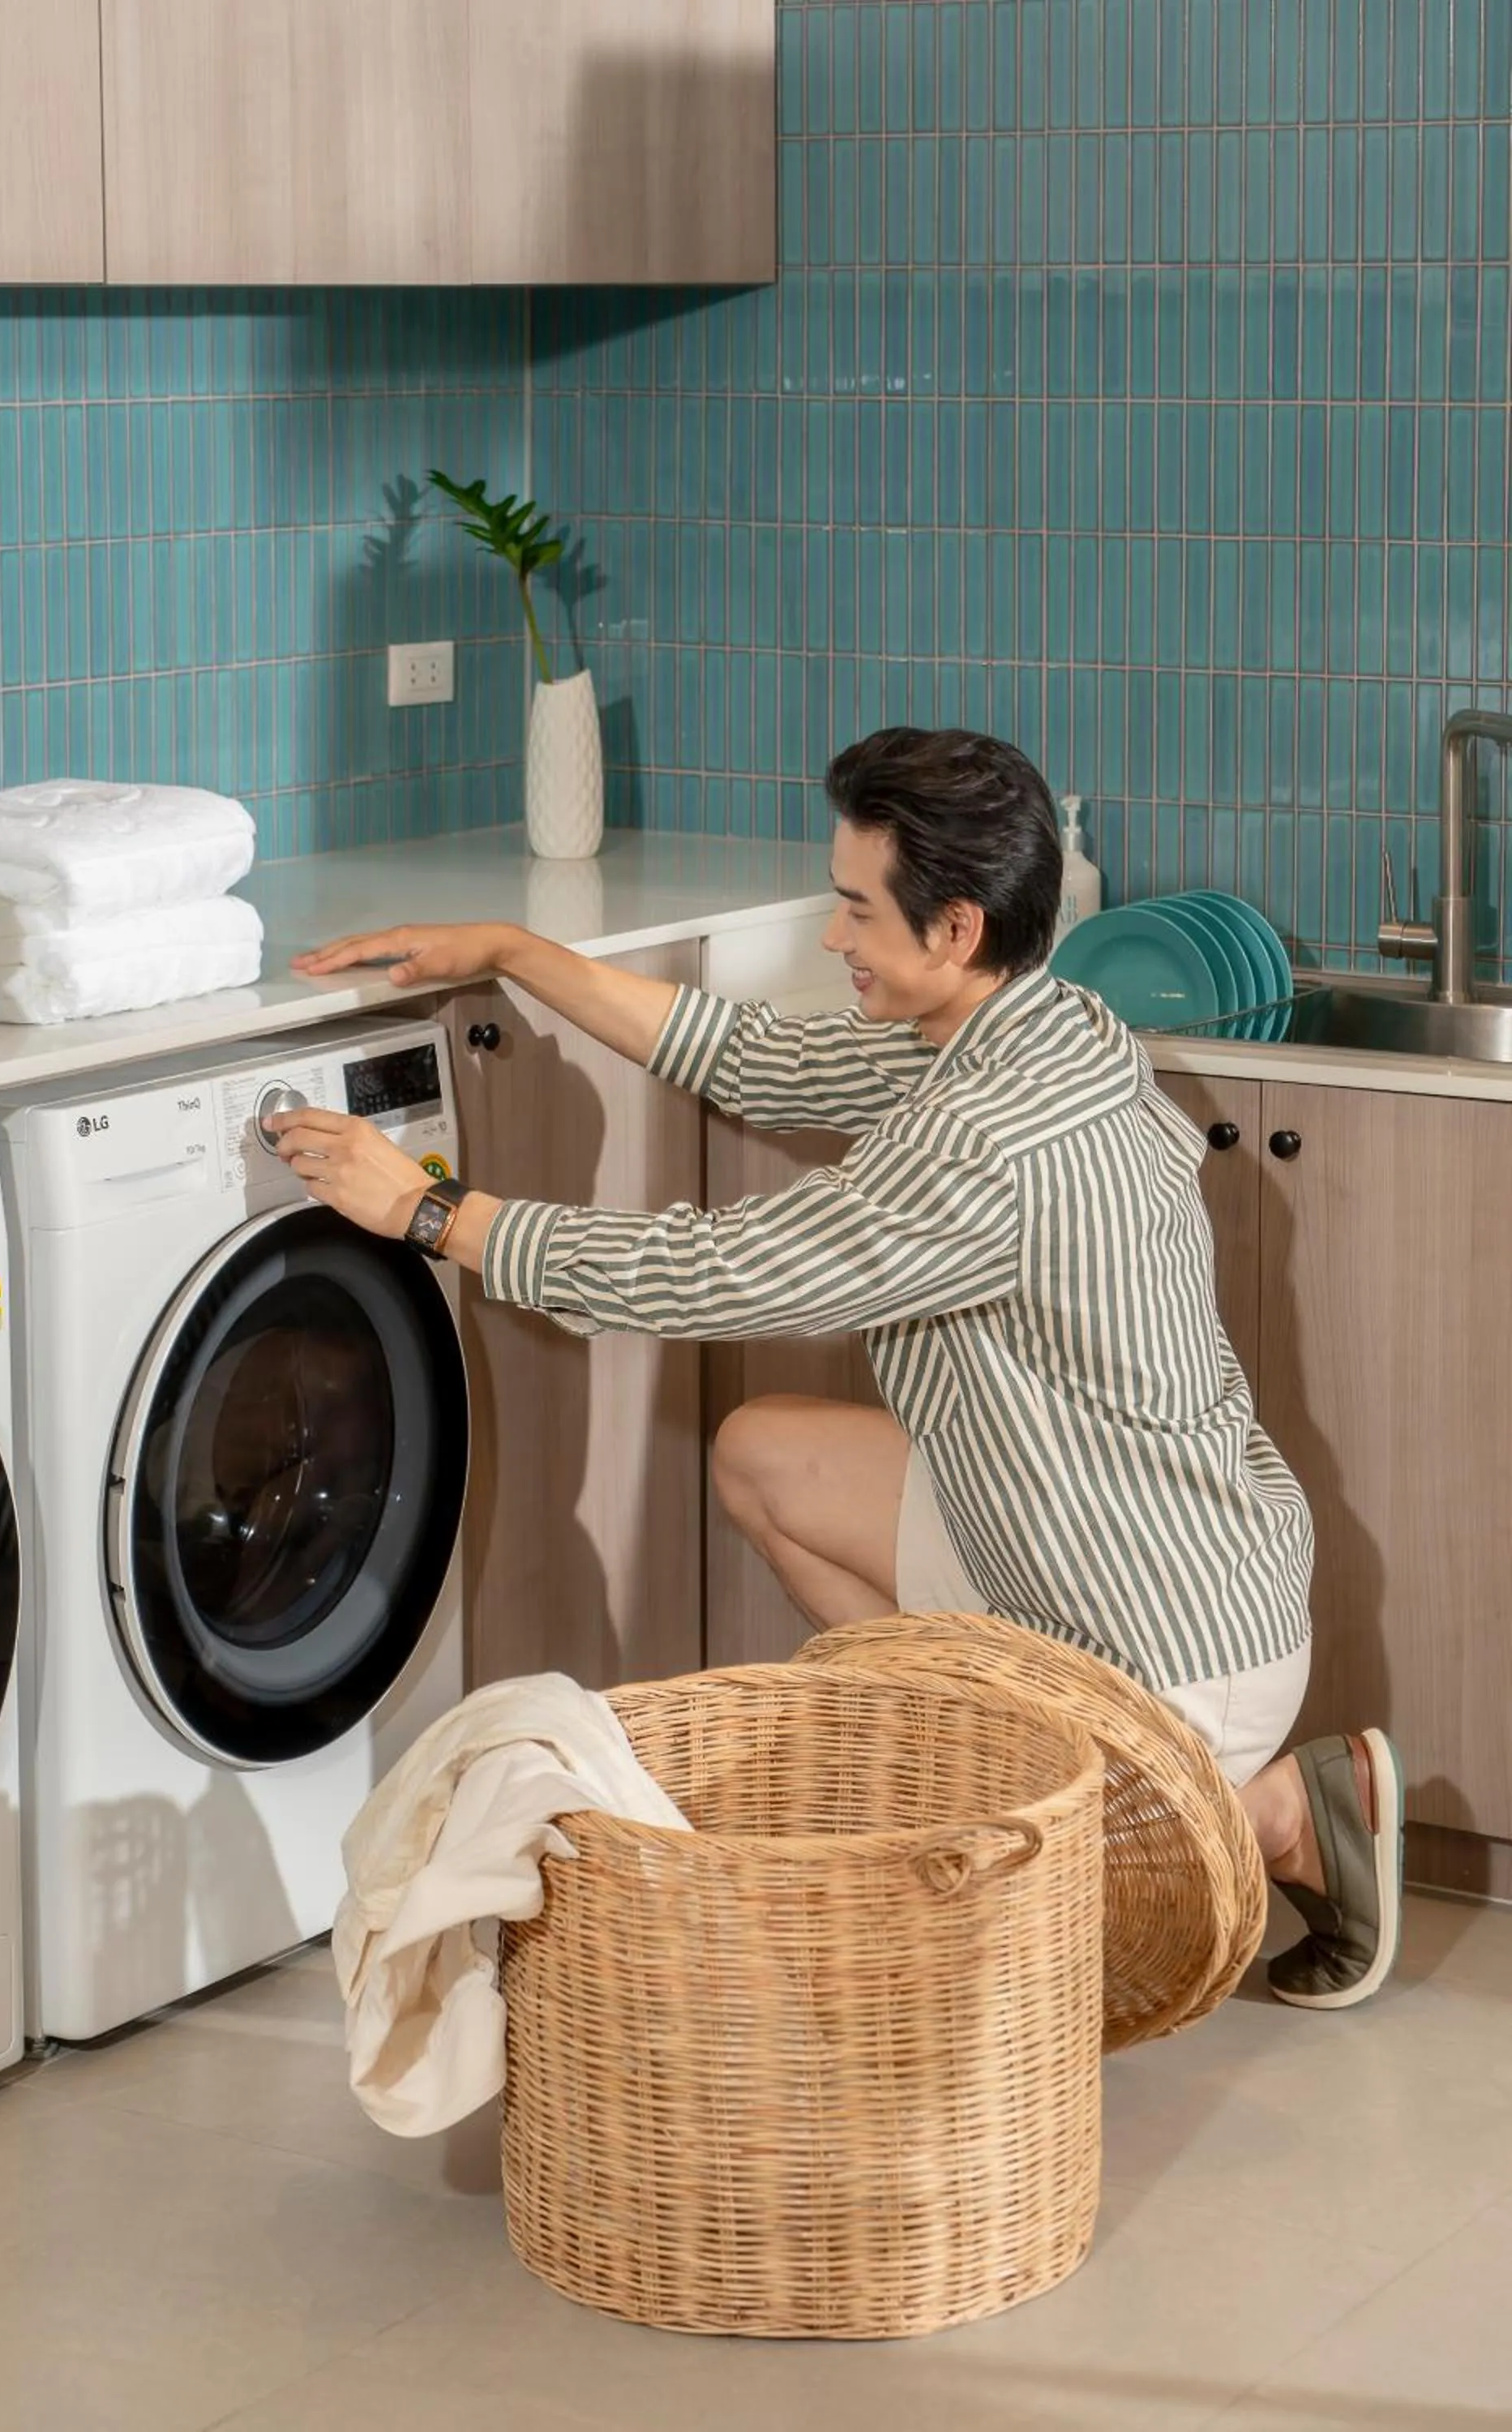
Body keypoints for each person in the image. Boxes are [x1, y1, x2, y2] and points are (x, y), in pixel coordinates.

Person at [276, 726, 1403, 2011]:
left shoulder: (988, 1142)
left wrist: (431, 1212)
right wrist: (516, 953)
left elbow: (717, 1272)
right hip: (1131, 1546)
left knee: (965, 1899)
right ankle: (1034, 1767)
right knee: (768, 1454)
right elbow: (764, 1057)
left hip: (1161, 1647)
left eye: (856, 908)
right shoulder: (1044, 1021)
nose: (833, 936)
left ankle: (1251, 1812)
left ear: (958, 928)